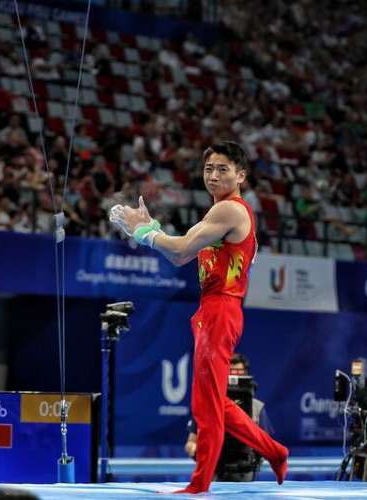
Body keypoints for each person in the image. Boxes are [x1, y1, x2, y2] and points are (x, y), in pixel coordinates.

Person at [109, 141, 288, 493]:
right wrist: (151, 228)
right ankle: (274, 451)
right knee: (210, 401)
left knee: (206, 406)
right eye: (208, 169)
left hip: (221, 309)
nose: (213, 176)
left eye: (223, 169)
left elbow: (178, 248)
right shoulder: (216, 214)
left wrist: (144, 232)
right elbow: (180, 256)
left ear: (241, 175)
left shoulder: (230, 211)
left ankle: (200, 484)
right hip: (212, 309)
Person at [184, 352, 272, 482]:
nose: (234, 377)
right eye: (230, 373)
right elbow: (191, 442)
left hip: (244, 474)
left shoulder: (257, 408)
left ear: (246, 375)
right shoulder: (207, 406)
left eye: (239, 373)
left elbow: (266, 444)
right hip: (212, 472)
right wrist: (196, 451)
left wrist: (258, 454)